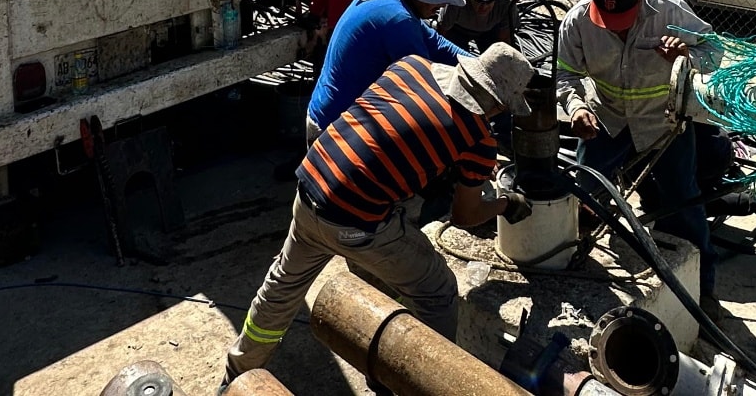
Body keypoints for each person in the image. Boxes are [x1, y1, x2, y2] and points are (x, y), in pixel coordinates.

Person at [222, 44, 537, 390]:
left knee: (281, 289)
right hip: (353, 221)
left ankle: (236, 374)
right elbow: (465, 215)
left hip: (312, 180)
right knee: (437, 290)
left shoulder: (413, 66)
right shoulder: (477, 140)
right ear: (497, 104)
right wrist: (506, 204)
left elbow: (390, 129)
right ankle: (415, 383)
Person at [556, 0, 729, 309]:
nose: (618, 31)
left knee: (682, 199)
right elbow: (565, 74)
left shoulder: (666, 8)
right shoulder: (577, 22)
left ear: (639, 1)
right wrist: (575, 109)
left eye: (625, 22)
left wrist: (685, 55)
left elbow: (714, 52)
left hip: (663, 120)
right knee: (584, 192)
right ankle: (574, 259)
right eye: (610, 25)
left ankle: (703, 290)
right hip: (608, 119)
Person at [305, 0, 472, 145]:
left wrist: (481, 66)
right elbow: (427, 89)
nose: (443, 5)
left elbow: (436, 42)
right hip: (337, 131)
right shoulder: (398, 21)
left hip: (329, 114)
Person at [437, 0, 518, 52]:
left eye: (490, 1)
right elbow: (443, 32)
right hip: (458, 31)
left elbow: (504, 40)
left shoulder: (506, 4)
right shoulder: (455, 0)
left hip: (490, 32)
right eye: (478, 1)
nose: (484, 7)